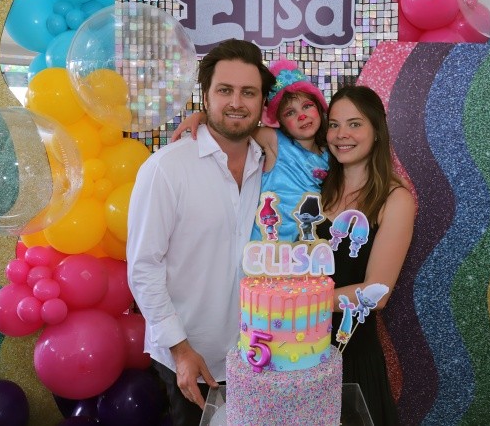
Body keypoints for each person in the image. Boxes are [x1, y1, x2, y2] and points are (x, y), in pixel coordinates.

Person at [126, 39, 276, 426]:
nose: (236, 102)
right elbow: (143, 266)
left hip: (261, 355)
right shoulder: (167, 168)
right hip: (192, 359)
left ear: (263, 101)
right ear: (205, 96)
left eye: (249, 92)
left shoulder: (274, 165)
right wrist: (179, 349)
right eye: (225, 90)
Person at [317, 85, 416, 426]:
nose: (341, 134)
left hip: (350, 354)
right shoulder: (316, 187)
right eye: (333, 124)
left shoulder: (395, 199)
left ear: (377, 132)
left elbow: (377, 293)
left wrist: (295, 303)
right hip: (297, 353)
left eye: (355, 124)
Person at [172, 59, 329, 243]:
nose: (302, 116)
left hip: (305, 242)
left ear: (319, 105)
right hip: (266, 240)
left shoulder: (329, 154)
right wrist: (203, 116)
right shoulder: (275, 141)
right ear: (279, 121)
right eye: (290, 113)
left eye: (307, 106)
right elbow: (235, 124)